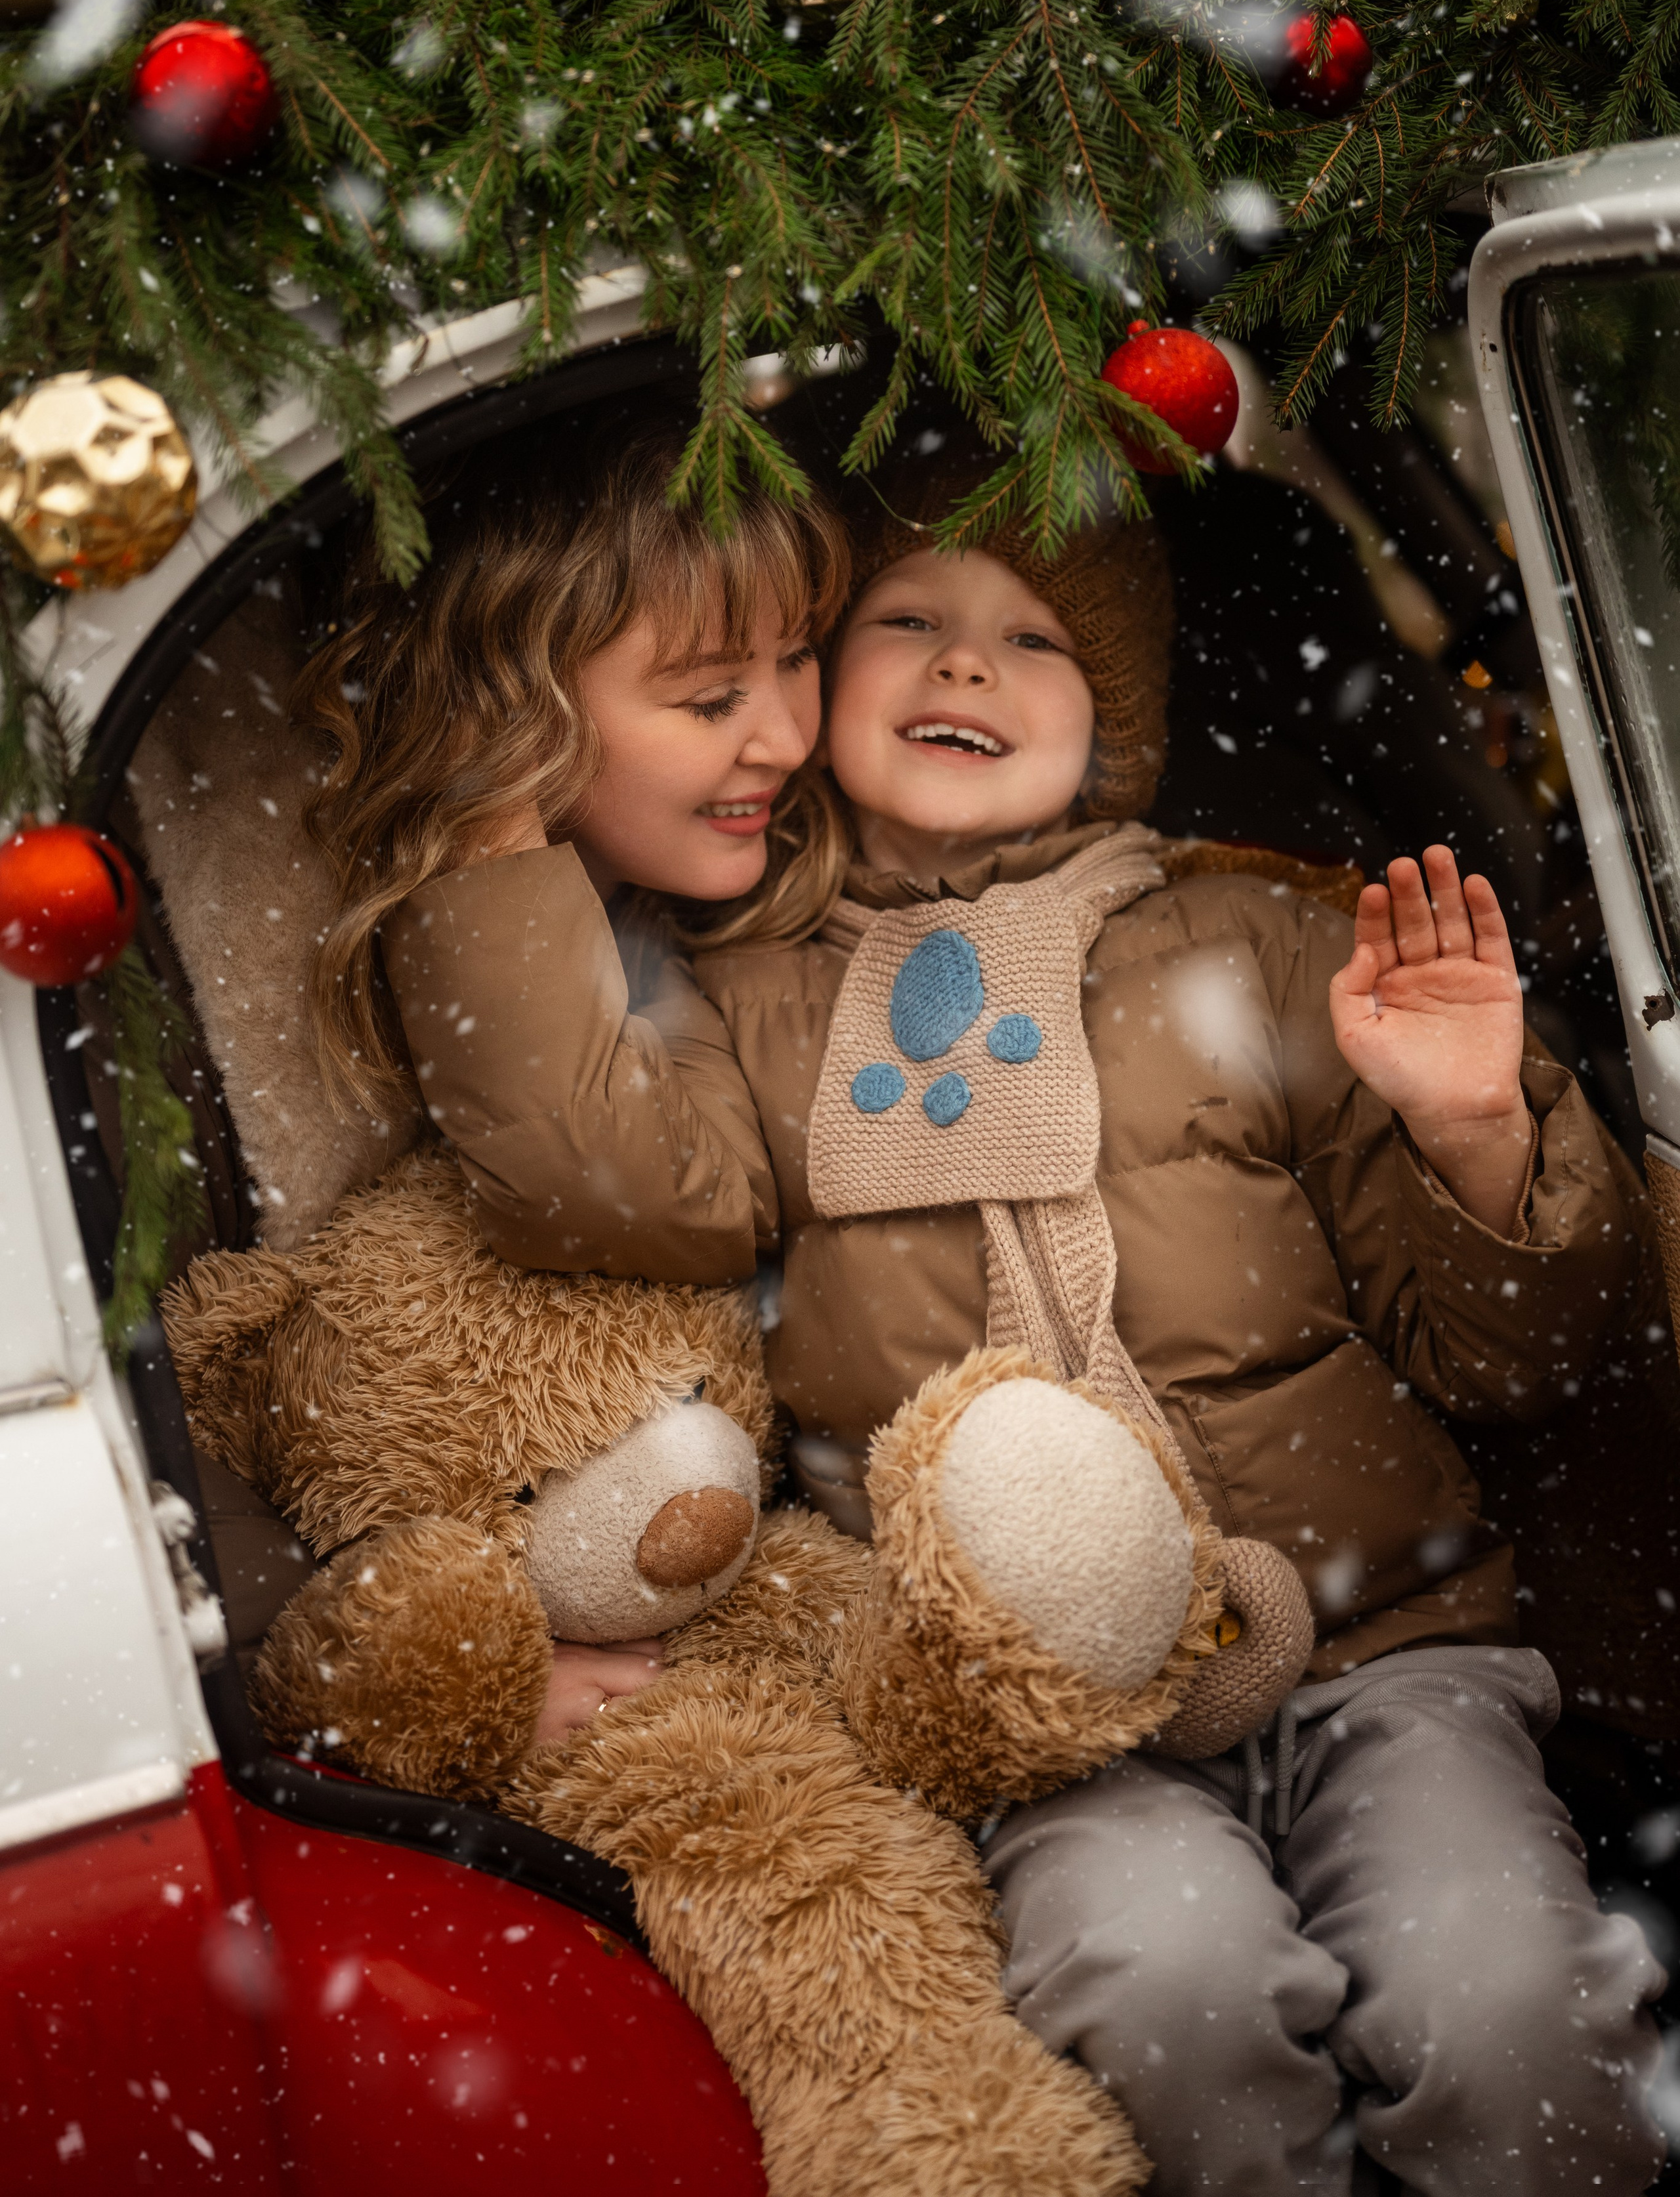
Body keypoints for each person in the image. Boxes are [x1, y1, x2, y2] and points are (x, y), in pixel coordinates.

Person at [369, 431, 1667, 2195]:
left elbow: (1515, 1357)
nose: (969, 658)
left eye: (1036, 639)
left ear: (1111, 720)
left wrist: (1473, 1126)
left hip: (1387, 1655)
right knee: (1162, 1999)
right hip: (1041, 1725)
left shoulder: (1256, 945)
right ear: (829, 696)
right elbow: (593, 1179)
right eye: (910, 615)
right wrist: (502, 817)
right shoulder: (743, 1006)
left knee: (1504, 2003)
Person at [293, 408, 847, 1740]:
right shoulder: (507, 913)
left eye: (799, 660)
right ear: (519, 721)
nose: (778, 734)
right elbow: (605, 1183)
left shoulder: (714, 913)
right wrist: (490, 826)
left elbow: (671, 1197)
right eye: (710, 697)